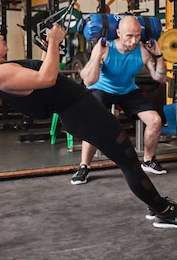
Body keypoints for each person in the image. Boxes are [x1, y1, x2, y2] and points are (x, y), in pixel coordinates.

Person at [0, 20, 177, 229]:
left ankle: (157, 204)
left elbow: (41, 73)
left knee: (127, 159)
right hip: (80, 112)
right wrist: (54, 41)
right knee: (128, 160)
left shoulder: (0, 68)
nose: (0, 35)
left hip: (80, 109)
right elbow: (47, 78)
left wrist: (48, 47)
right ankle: (163, 212)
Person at [70, 15, 169, 185]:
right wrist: (97, 56)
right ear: (118, 33)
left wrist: (158, 55)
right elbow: (88, 81)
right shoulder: (106, 48)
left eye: (137, 35)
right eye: (129, 36)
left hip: (128, 89)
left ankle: (148, 160)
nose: (134, 41)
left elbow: (159, 78)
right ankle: (84, 166)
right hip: (102, 88)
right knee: (93, 122)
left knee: (155, 121)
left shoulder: (143, 50)